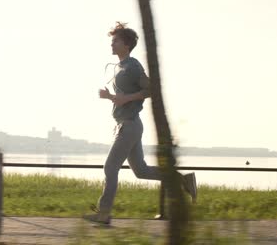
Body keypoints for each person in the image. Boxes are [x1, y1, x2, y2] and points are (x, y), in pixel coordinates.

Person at [83, 22, 197, 225]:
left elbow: (150, 90)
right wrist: (110, 97)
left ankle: (104, 213)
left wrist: (125, 99)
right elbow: (123, 98)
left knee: (110, 167)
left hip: (130, 125)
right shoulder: (120, 66)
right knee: (141, 171)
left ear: (126, 44)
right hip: (126, 125)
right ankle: (182, 180)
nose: (111, 44)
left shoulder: (133, 66)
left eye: (115, 41)